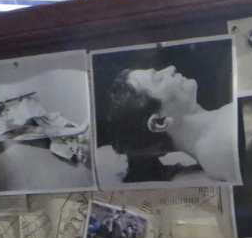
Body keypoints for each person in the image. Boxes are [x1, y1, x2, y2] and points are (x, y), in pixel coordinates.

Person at [101, 65, 239, 184]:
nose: (171, 68)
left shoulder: (220, 131)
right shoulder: (222, 144)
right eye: (158, 78)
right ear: (159, 122)